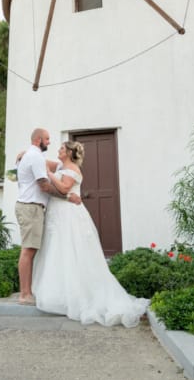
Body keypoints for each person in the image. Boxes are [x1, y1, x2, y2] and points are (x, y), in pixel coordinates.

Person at [32, 140, 150, 326]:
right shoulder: (61, 165)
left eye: (62, 148)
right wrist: (25, 155)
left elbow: (63, 188)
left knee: (72, 250)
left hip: (69, 214)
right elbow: (43, 161)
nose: (58, 150)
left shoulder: (73, 170)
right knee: (57, 250)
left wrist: (49, 175)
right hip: (58, 212)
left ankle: (76, 295)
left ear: (70, 153)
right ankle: (57, 293)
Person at [15, 128, 81, 305]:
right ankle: (25, 294)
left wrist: (23, 154)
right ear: (38, 140)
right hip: (30, 207)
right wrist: (67, 197)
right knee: (28, 250)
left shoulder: (35, 156)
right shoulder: (35, 157)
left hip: (33, 208)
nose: (50, 142)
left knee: (32, 249)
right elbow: (44, 186)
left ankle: (28, 292)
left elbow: (57, 167)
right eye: (47, 139)